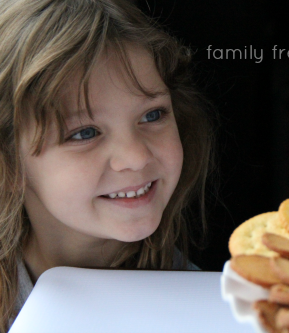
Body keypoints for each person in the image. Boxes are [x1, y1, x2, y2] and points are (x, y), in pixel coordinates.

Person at [0, 0, 214, 330]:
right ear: (10, 165)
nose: (136, 156)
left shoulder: (214, 312)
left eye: (152, 115)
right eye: (84, 133)